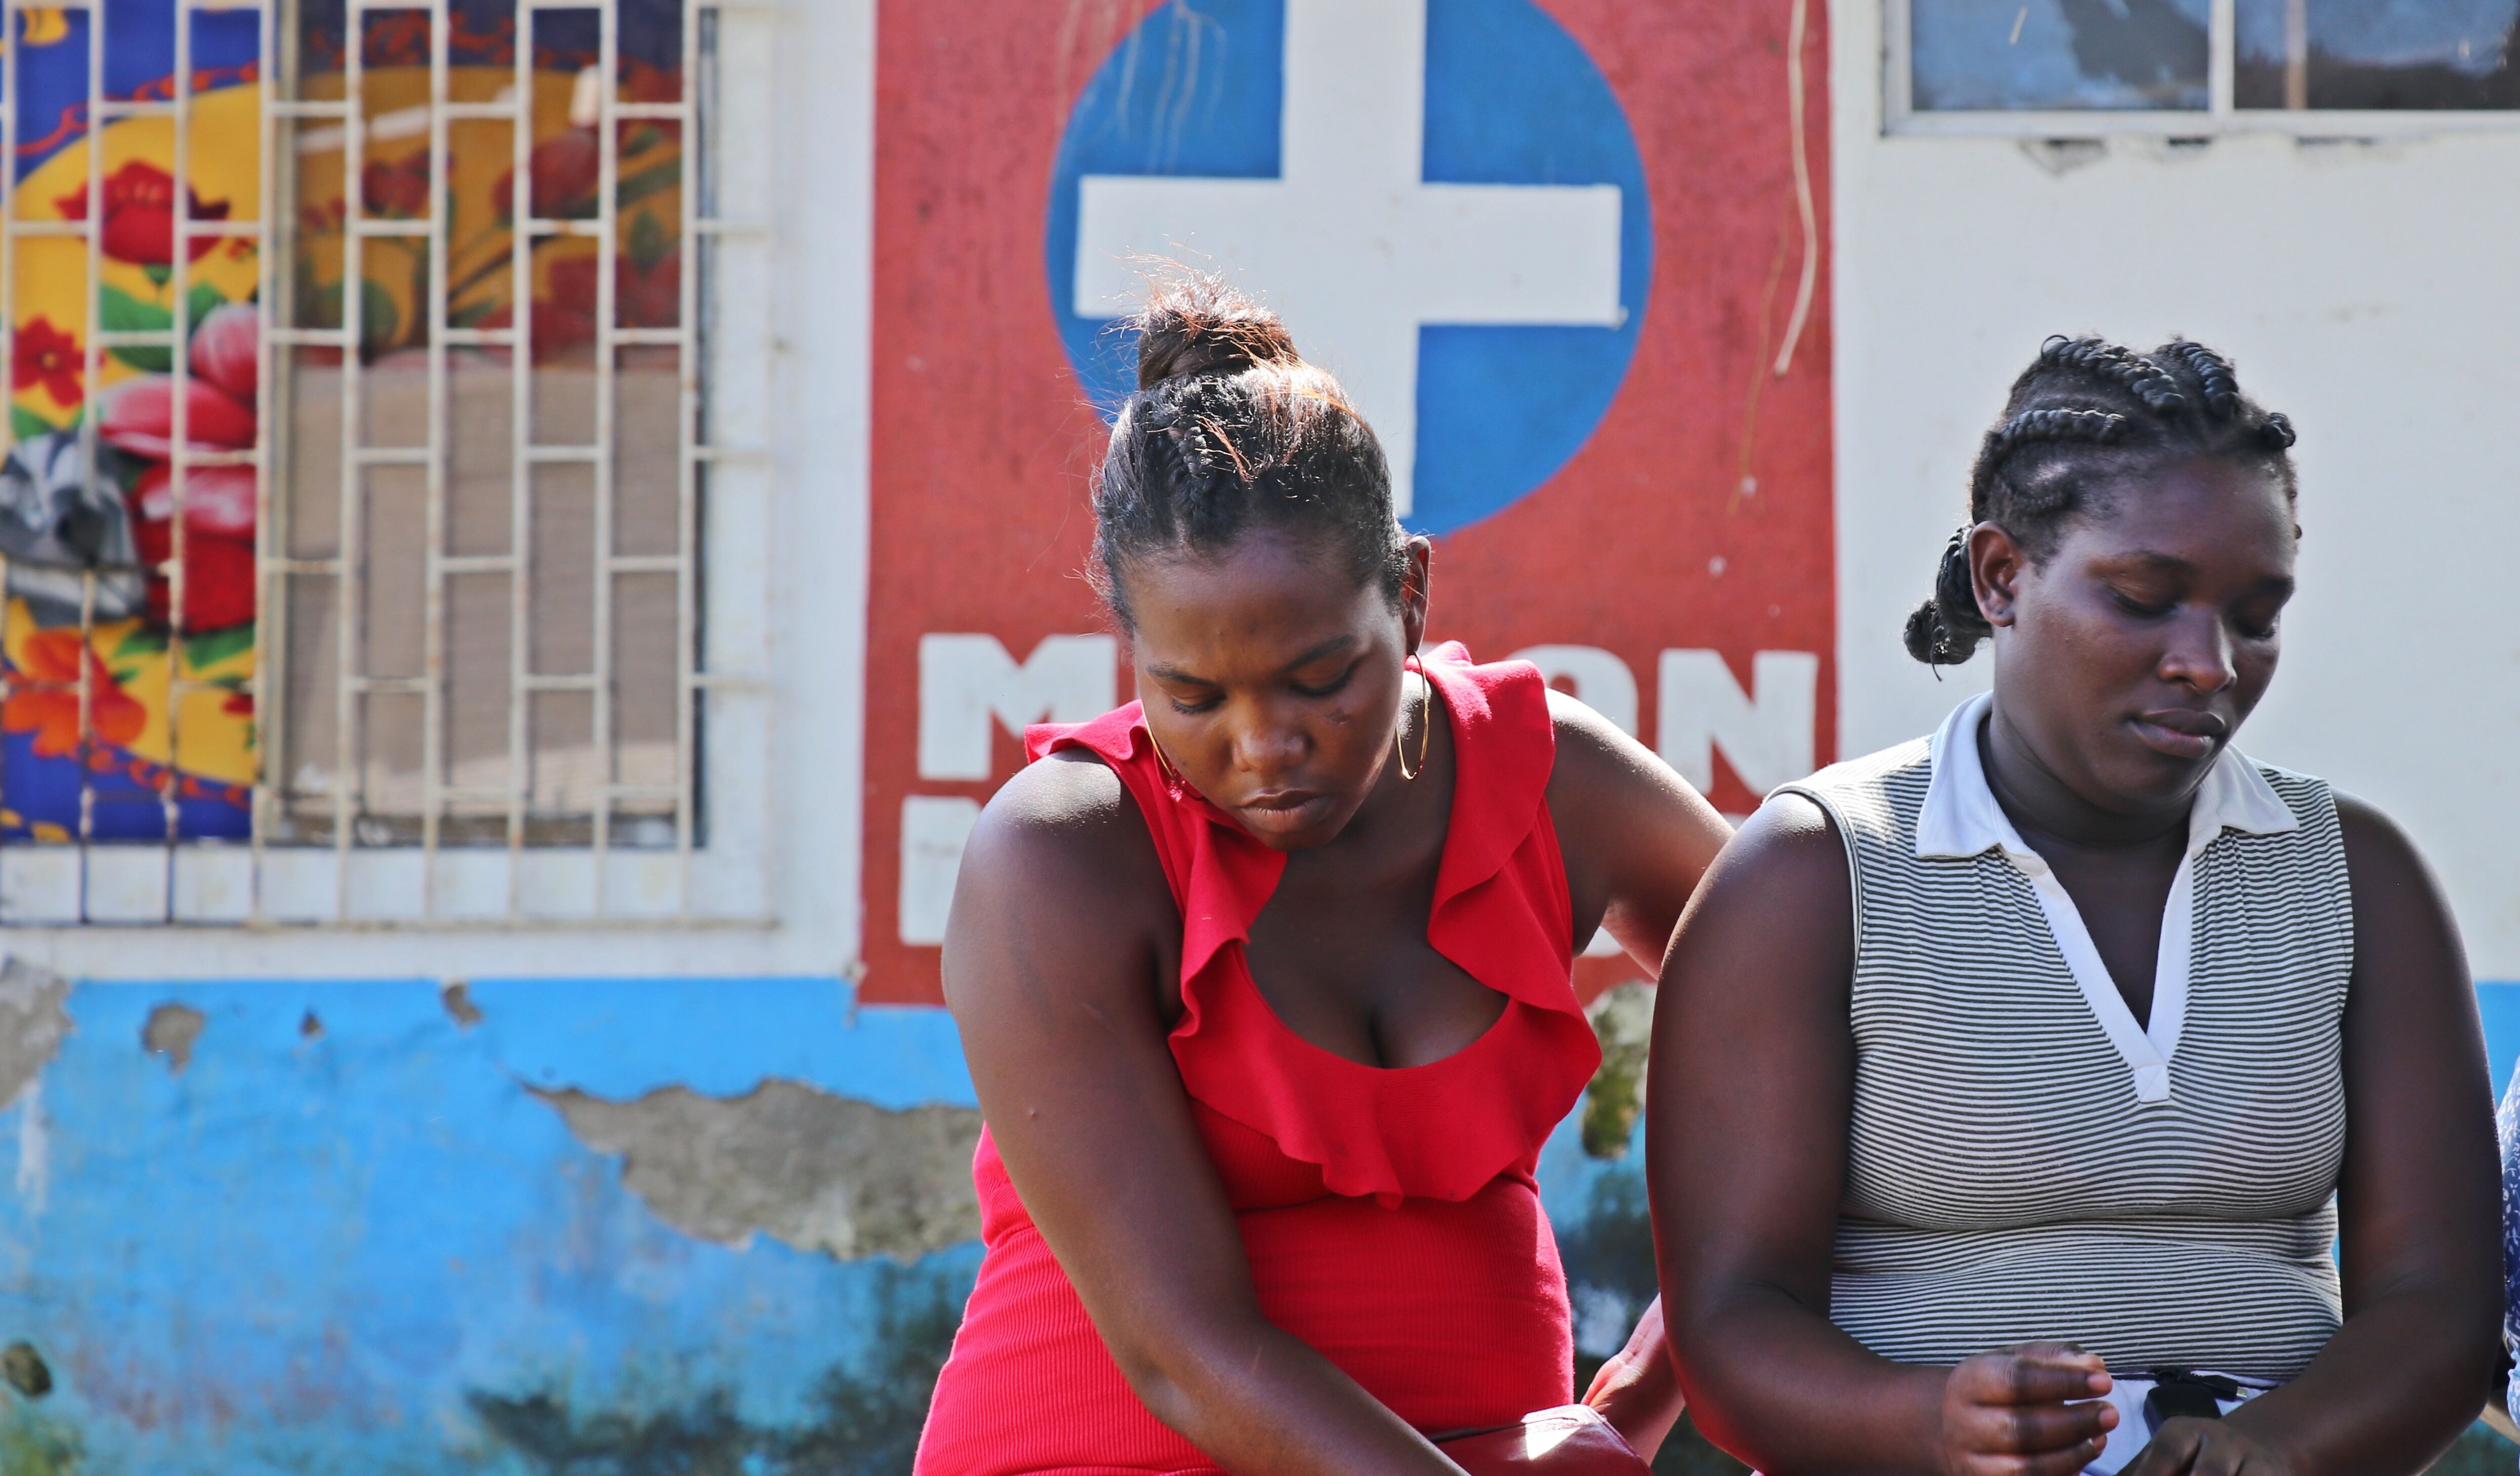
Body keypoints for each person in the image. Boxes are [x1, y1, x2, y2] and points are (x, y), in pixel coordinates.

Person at [1647, 334, 2501, 1476]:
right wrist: (1929, 1428)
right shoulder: (1814, 878)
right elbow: (1731, 1328)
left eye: (2257, 616)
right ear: (2003, 577)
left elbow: (2441, 1310)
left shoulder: (2357, 876)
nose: (2210, 662)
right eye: (2149, 600)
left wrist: (2279, 1451)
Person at [915, 279, 1727, 1476]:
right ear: (1134, 651)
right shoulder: (1066, 854)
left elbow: (1850, 1044)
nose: (1264, 746)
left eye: (1320, 679)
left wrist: (1642, 1402)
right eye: (1193, 696)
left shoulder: (1552, 785)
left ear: (1409, 594)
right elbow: (1182, 1350)